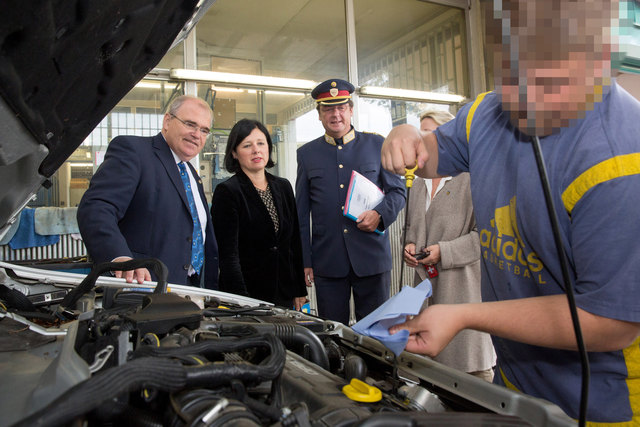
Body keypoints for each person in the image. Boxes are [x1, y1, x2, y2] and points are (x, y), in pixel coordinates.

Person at [382, 0, 640, 423]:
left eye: (549, 80)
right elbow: (427, 156)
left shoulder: (622, 162)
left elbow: (609, 322)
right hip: (515, 384)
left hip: (602, 405)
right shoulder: (486, 112)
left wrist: (465, 314)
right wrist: (404, 133)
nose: (525, 97)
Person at [78, 95, 218, 289]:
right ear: (167, 121)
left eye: (204, 130)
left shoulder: (192, 174)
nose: (197, 134)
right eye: (190, 124)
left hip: (189, 287)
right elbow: (96, 208)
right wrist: (120, 257)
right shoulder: (134, 151)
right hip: (142, 287)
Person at [296, 78, 405, 325]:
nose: (336, 114)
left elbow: (398, 192)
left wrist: (379, 214)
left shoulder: (377, 145)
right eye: (328, 109)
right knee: (332, 335)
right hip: (328, 262)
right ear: (319, 115)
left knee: (375, 333)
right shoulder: (307, 154)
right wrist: (305, 261)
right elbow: (301, 215)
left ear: (351, 110)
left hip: (372, 258)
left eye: (341, 107)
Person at [404, 110, 495, 382]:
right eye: (421, 132)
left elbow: (485, 237)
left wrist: (445, 251)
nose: (423, 139)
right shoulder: (417, 183)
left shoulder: (472, 178)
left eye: (431, 133)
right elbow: (411, 227)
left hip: (462, 292)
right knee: (430, 377)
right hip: (424, 294)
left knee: (471, 376)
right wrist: (409, 245)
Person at [210, 119, 307, 309]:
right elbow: (228, 256)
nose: (256, 150)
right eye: (247, 145)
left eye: (261, 143)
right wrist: (242, 300)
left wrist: (299, 289)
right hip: (248, 295)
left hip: (284, 292)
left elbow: (294, 242)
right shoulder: (228, 191)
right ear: (234, 153)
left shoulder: (283, 186)